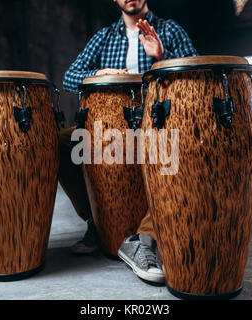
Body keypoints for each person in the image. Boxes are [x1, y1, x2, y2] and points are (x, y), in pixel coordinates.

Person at [61, 0, 198, 284]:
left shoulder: (170, 31)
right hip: (111, 127)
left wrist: (162, 57)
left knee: (183, 149)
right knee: (62, 146)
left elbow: (195, 76)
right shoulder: (104, 37)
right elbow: (69, 77)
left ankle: (144, 239)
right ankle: (96, 223)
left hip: (160, 125)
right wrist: (96, 75)